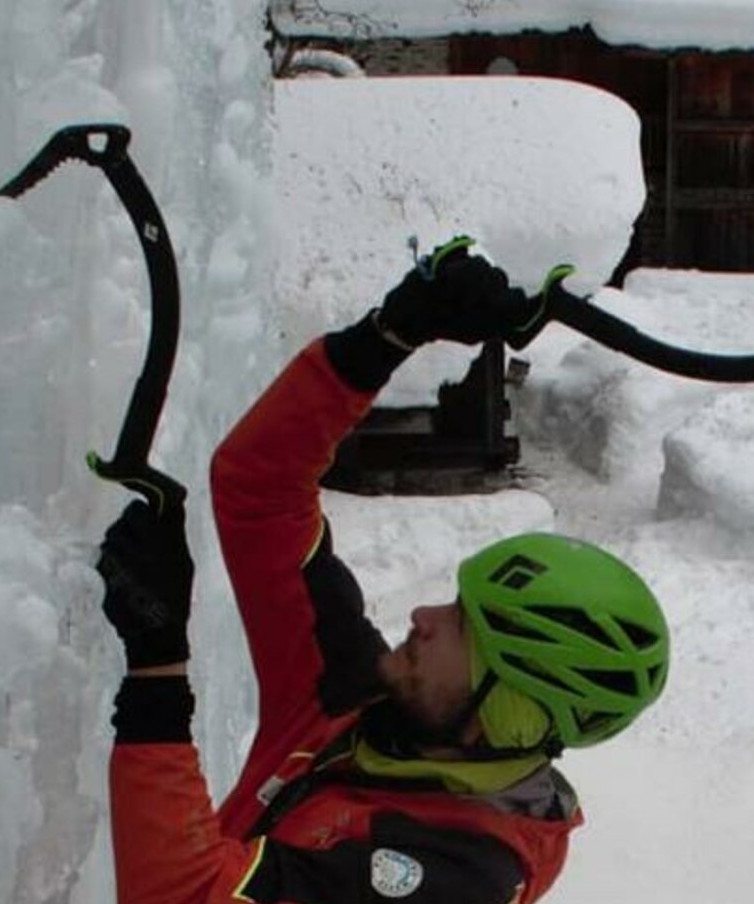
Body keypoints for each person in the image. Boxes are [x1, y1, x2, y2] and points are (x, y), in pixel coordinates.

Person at [94, 240, 671, 904]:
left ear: (502, 713)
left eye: (460, 628)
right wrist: (390, 335)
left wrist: (157, 670)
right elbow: (262, 489)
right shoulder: (363, 716)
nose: (423, 618)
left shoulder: (455, 880)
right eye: (452, 604)